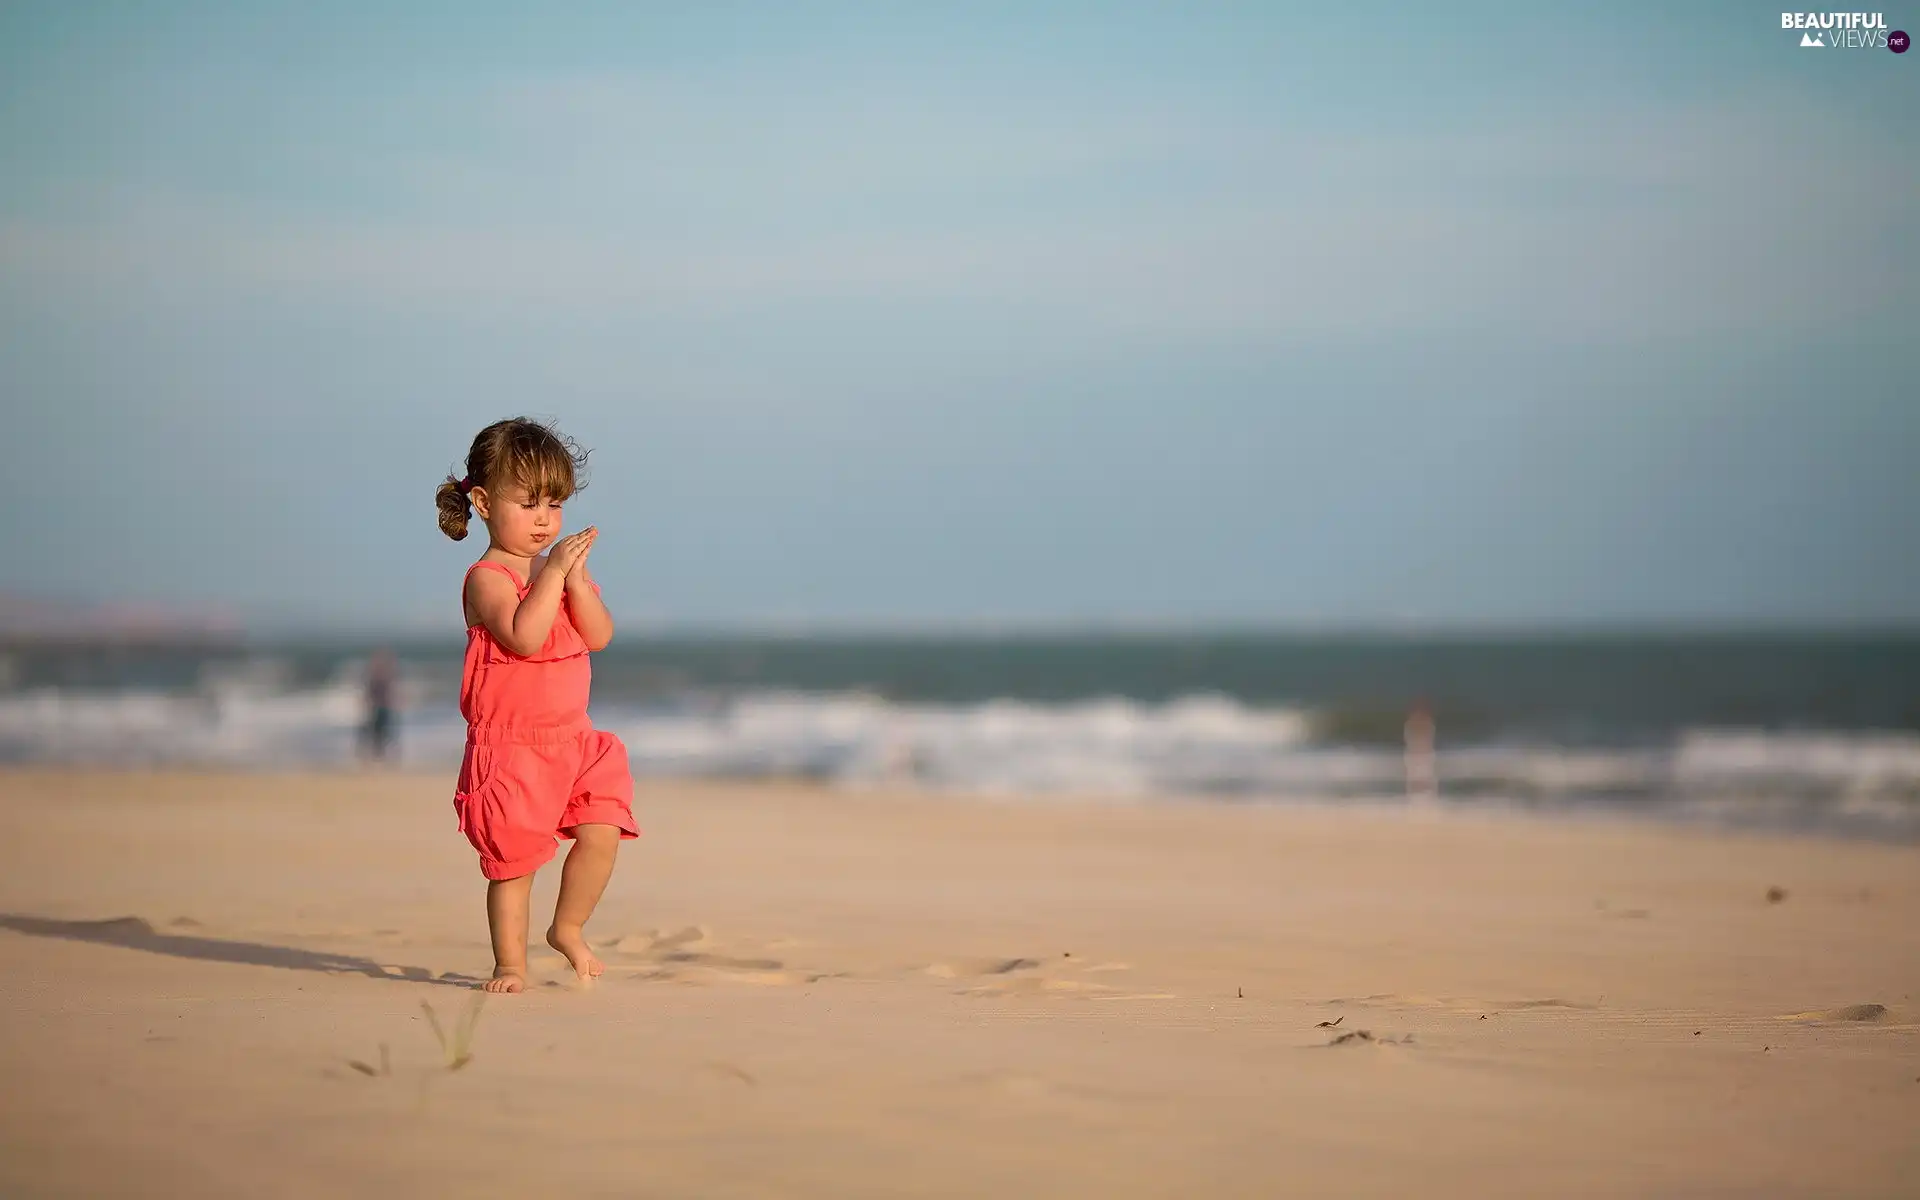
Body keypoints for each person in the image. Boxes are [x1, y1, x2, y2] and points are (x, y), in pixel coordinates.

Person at [434, 417, 638, 993]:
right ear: (482, 501)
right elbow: (524, 635)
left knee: (603, 829)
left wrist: (573, 580)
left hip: (574, 740)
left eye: (554, 503)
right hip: (513, 751)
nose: (544, 519)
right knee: (515, 863)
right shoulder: (487, 579)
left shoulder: (559, 573)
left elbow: (598, 635)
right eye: (527, 504)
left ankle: (567, 927)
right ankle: (510, 964)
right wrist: (550, 579)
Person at [360, 647, 397, 763]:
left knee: (382, 734)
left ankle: (380, 756)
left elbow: (386, 693)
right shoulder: (376, 676)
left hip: (382, 708)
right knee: (377, 734)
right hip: (377, 708)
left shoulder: (381, 676)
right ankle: (376, 756)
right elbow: (370, 693)